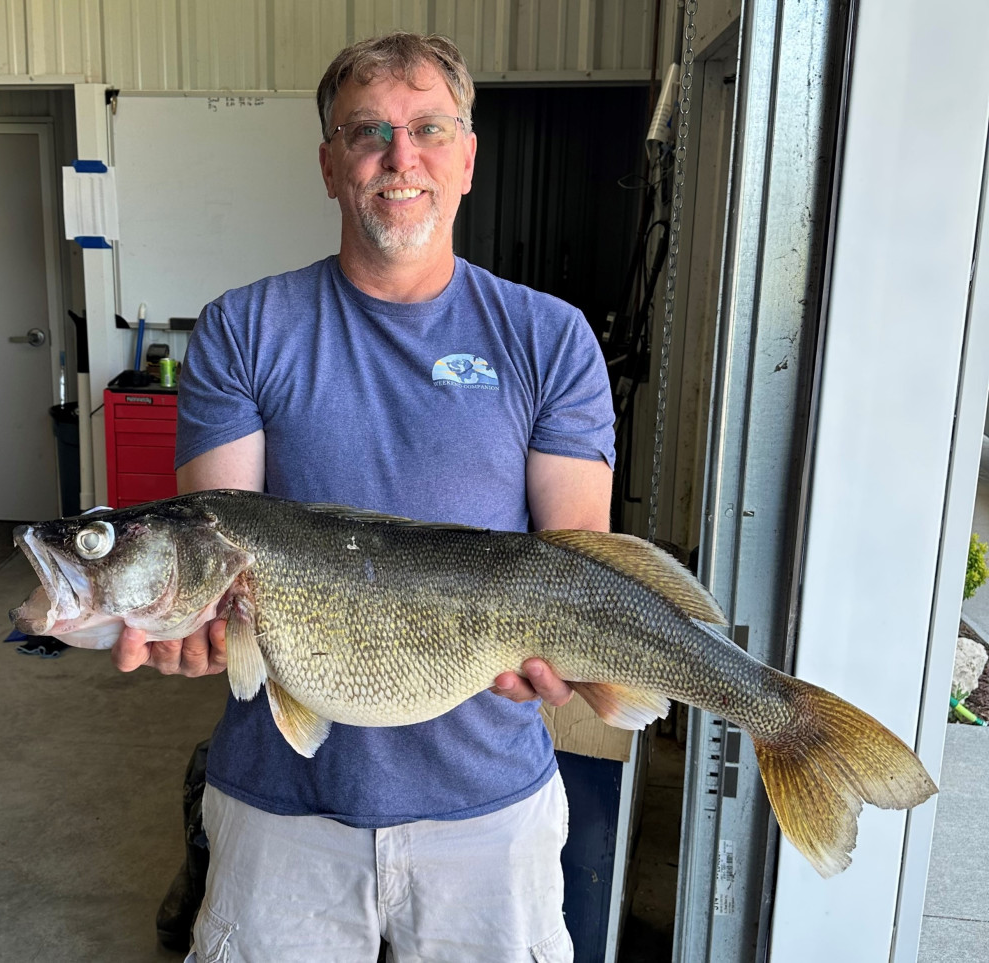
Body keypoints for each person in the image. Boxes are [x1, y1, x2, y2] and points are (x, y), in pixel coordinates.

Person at [113, 31, 615, 963]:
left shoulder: (551, 338)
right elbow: (218, 548)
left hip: (489, 810)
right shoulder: (244, 329)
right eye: (368, 132)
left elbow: (579, 566)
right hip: (279, 809)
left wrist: (578, 663)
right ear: (330, 164)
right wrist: (191, 622)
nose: (401, 157)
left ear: (467, 156)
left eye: (429, 128)